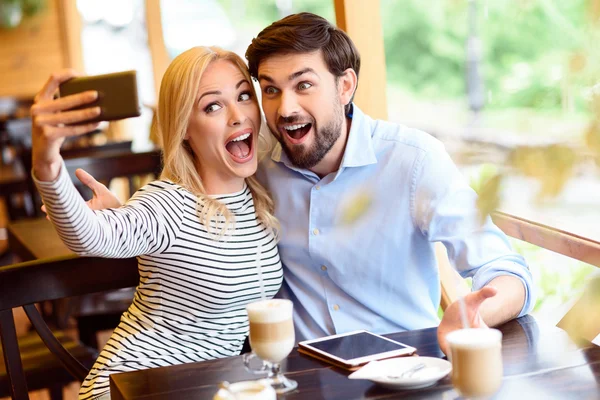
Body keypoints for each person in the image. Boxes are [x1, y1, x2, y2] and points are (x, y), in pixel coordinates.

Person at [69, 13, 534, 356]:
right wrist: (122, 218)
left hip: (404, 368)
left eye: (303, 85)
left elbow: (506, 270)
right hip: (301, 375)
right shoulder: (256, 162)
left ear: (346, 86)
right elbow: (192, 190)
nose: (284, 107)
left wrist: (476, 313)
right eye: (269, 89)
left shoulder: (412, 161)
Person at [30, 47, 282, 400]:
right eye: (213, 105)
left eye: (243, 95)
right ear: (184, 129)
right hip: (131, 387)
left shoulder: (260, 197)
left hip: (201, 388)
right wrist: (46, 164)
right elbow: (90, 236)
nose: (238, 115)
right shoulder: (168, 202)